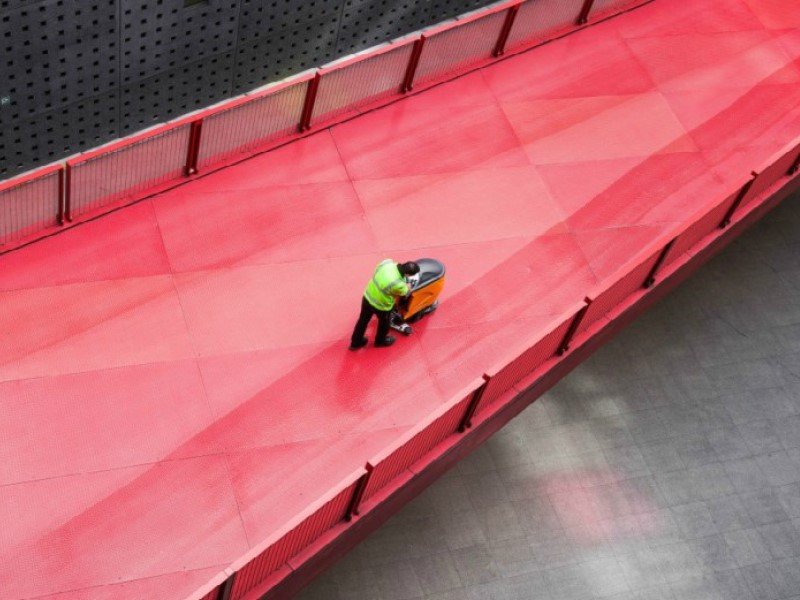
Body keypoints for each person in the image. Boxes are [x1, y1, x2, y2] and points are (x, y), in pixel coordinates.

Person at [350, 260, 420, 349]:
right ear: (407, 274)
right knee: (384, 323)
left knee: (362, 320)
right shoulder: (398, 284)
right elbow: (404, 292)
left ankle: (356, 343)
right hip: (381, 305)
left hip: (368, 296)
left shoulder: (387, 263)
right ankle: (380, 341)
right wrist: (409, 285)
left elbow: (377, 271)